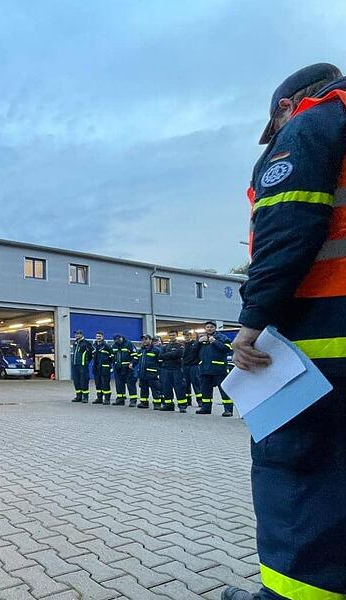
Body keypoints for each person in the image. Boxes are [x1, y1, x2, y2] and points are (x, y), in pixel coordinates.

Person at [224, 63, 346, 600]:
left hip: (321, 339)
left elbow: (287, 226)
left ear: (284, 107)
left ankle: (293, 593)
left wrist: (251, 322)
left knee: (295, 467)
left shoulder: (313, 123)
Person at [197, 321, 233, 416]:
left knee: (224, 389)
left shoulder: (222, 337)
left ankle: (228, 410)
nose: (209, 328)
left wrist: (215, 342)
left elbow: (228, 349)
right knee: (205, 390)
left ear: (215, 328)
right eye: (207, 327)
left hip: (219, 369)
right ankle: (206, 408)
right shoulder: (202, 338)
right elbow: (193, 351)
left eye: (211, 327)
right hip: (205, 369)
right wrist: (198, 342)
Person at [160, 331, 186, 413]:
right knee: (166, 387)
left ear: (177, 336)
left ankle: (182, 406)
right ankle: (168, 405)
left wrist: (167, 355)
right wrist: (172, 355)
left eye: (173, 335)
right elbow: (160, 356)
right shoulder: (165, 346)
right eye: (170, 335)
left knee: (179, 388)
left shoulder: (180, 345)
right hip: (166, 369)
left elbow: (178, 354)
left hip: (177, 369)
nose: (171, 337)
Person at [134, 335, 160, 409]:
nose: (144, 341)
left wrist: (159, 373)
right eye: (143, 340)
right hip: (142, 373)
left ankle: (157, 404)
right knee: (143, 389)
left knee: (155, 389)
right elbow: (136, 359)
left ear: (150, 340)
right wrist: (132, 363)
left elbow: (161, 362)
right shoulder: (141, 350)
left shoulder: (156, 350)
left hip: (152, 374)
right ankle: (144, 403)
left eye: (146, 339)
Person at [111, 334, 138, 406]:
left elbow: (135, 356)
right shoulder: (114, 346)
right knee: (119, 385)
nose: (117, 341)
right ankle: (120, 400)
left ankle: (133, 400)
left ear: (121, 338)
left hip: (128, 369)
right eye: (115, 340)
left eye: (118, 339)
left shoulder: (129, 344)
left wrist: (132, 363)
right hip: (118, 369)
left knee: (130, 385)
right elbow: (112, 357)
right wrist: (113, 366)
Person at [70, 330, 93, 403]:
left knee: (84, 380)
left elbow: (92, 353)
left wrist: (86, 361)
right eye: (75, 334)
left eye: (77, 334)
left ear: (81, 334)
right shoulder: (75, 343)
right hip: (75, 365)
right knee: (76, 381)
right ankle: (78, 396)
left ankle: (85, 397)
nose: (76, 335)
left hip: (82, 365)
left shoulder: (86, 343)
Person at [181, 329, 203, 407]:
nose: (186, 337)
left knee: (196, 383)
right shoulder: (182, 345)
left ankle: (200, 401)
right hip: (185, 366)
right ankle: (188, 400)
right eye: (185, 335)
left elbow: (200, 353)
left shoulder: (195, 343)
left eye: (188, 335)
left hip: (194, 366)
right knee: (186, 384)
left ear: (191, 335)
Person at [91, 331, 113, 404]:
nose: (98, 337)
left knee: (105, 384)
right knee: (98, 384)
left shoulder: (106, 346)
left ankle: (107, 399)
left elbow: (112, 356)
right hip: (96, 368)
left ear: (103, 337)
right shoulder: (94, 346)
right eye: (97, 336)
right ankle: (99, 398)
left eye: (100, 336)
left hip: (104, 368)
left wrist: (107, 363)